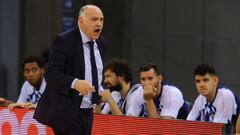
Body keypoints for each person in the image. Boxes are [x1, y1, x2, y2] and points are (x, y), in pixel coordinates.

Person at [33, 5, 106, 135]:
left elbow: (96, 71)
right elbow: (51, 74)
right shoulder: (64, 41)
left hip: (88, 112)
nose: (99, 24)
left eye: (101, 20)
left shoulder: (101, 43)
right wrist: (75, 83)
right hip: (67, 112)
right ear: (81, 21)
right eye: (94, 19)